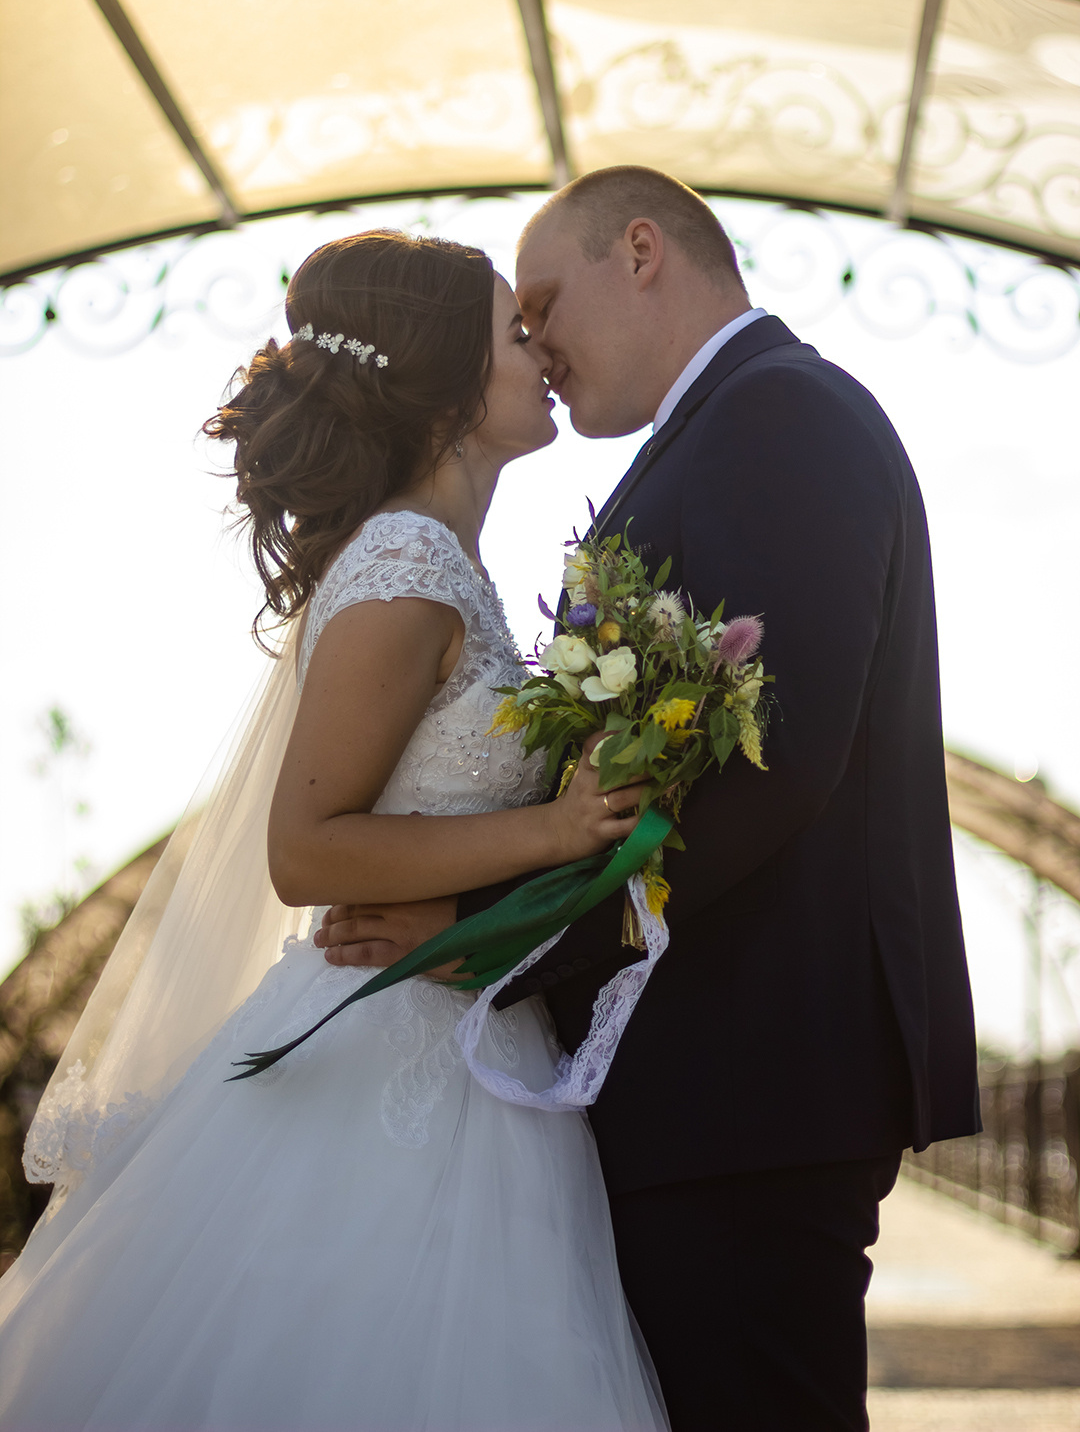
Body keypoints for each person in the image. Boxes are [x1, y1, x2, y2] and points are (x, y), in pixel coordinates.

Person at [317, 170, 983, 1432]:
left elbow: (769, 764)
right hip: (709, 1086)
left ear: (640, 251)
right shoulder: (727, 429)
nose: (537, 341)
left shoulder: (777, 415)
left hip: (748, 1081)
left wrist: (495, 935)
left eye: (544, 303)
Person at [0, 230, 669, 1432]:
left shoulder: (449, 564)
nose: (542, 351)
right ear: (448, 383)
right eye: (514, 332)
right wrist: (559, 829)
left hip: (464, 1032)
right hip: (383, 1049)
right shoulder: (406, 565)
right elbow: (306, 850)